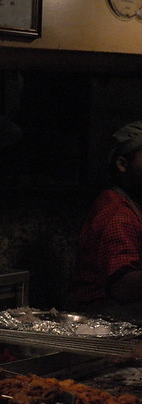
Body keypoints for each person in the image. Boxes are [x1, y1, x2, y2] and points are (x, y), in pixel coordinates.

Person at [70, 120, 142, 322]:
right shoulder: (117, 213)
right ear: (122, 164)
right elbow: (122, 286)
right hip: (103, 319)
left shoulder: (132, 204)